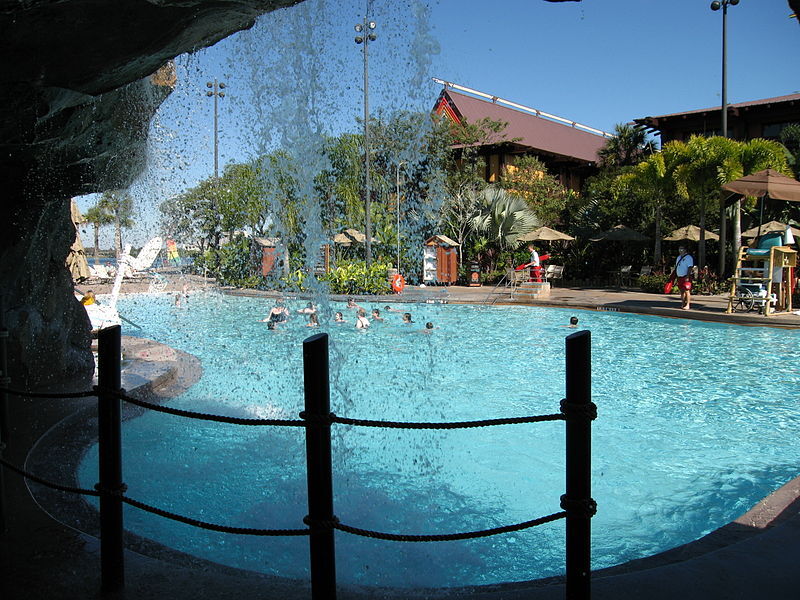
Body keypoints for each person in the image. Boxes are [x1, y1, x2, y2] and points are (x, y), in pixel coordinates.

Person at [672, 246, 694, 310]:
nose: (680, 250)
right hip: (679, 276)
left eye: (682, 249)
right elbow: (677, 267)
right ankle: (683, 303)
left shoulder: (688, 258)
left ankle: (688, 304)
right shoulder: (678, 257)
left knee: (687, 290)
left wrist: (687, 276)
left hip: (685, 276)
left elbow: (690, 267)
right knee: (681, 291)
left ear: (685, 250)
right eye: (679, 249)